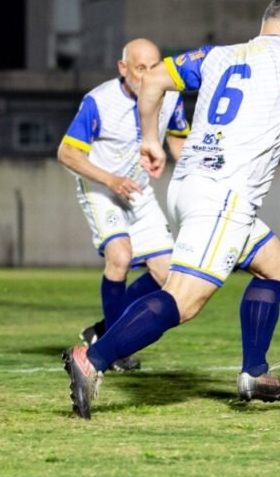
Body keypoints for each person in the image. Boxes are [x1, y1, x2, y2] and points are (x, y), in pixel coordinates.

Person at [61, 0, 280, 419]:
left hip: (190, 186)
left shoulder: (218, 55)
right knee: (183, 300)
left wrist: (151, 139)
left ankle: (254, 373)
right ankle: (91, 360)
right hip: (224, 197)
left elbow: (153, 81)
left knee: (275, 262)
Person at [57, 38, 189, 372]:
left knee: (168, 275)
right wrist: (110, 180)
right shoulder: (100, 101)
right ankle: (114, 352)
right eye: (140, 68)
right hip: (101, 188)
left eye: (153, 67)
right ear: (123, 68)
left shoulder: (169, 96)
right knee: (120, 256)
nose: (147, 75)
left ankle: (102, 332)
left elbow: (176, 134)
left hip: (139, 191)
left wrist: (189, 169)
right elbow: (67, 152)